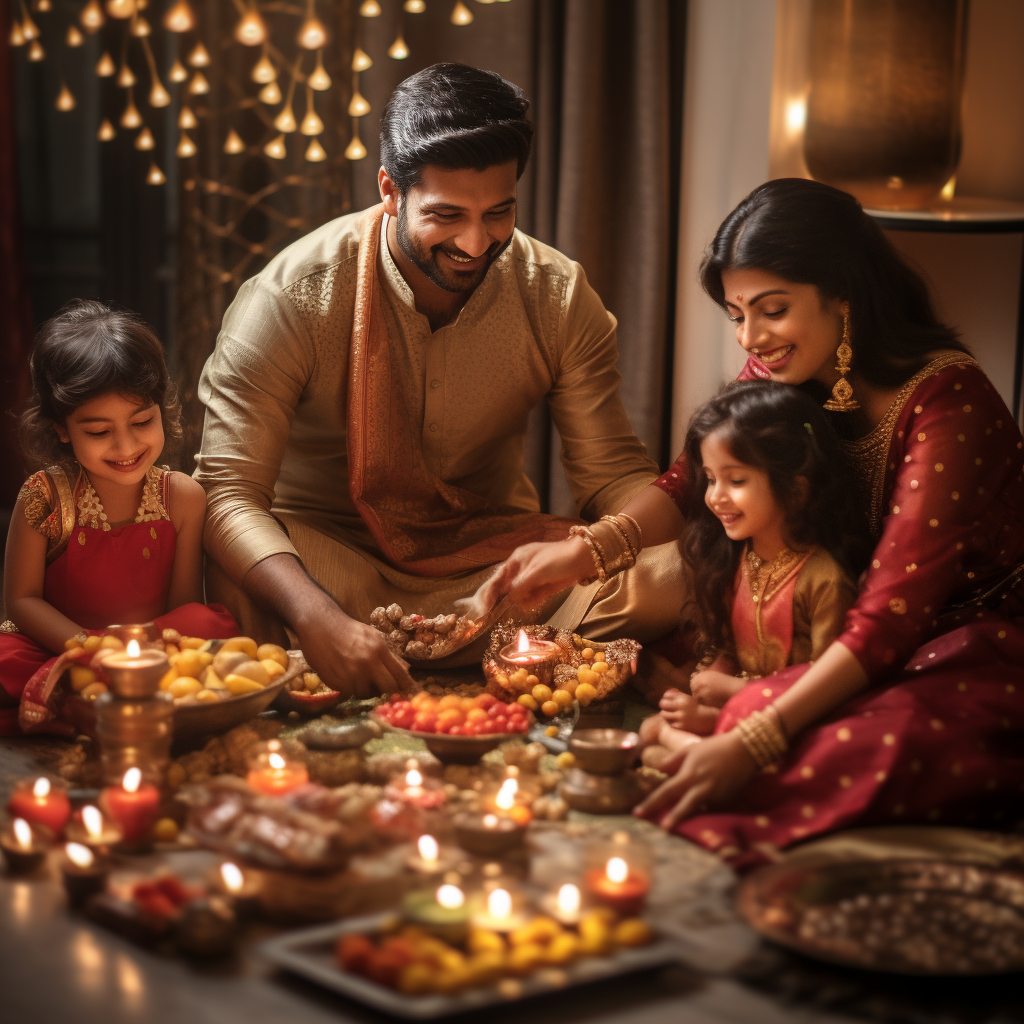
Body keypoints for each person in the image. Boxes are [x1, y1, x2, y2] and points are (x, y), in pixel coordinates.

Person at [483, 178, 1024, 864]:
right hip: (822, 623)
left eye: (772, 310)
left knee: (883, 739)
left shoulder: (949, 406)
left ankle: (734, 746)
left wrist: (752, 739)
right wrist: (582, 554)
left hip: (952, 642)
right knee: (693, 655)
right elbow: (685, 484)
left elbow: (890, 622)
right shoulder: (784, 373)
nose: (752, 337)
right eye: (737, 313)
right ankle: (736, 726)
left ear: (844, 293)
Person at [196, 63, 686, 698]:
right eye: (447, 214)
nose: (476, 242)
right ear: (390, 191)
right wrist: (315, 615)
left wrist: (627, 545)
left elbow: (612, 476)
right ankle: (498, 660)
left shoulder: (557, 295)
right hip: (332, 562)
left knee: (677, 570)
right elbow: (227, 493)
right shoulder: (293, 297)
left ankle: (417, 657)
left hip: (494, 570)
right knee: (235, 566)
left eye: (499, 212)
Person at [0, 300, 238, 736]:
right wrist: (89, 649)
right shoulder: (43, 496)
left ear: (161, 410)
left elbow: (181, 611)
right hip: (62, 650)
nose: (126, 447)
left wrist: (137, 653)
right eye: (98, 432)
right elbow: (20, 601)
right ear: (60, 428)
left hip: (146, 648)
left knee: (206, 623)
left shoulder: (183, 497)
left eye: (142, 421)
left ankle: (86, 702)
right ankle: (82, 692)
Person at [639, 381, 863, 765]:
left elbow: (824, 686)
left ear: (795, 489)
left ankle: (703, 757)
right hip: (735, 709)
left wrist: (728, 693)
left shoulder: (823, 579)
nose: (715, 497)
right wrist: (704, 682)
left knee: (660, 742)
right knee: (650, 731)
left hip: (788, 718)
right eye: (710, 479)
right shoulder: (739, 559)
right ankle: (696, 753)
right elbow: (727, 647)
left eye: (736, 480)